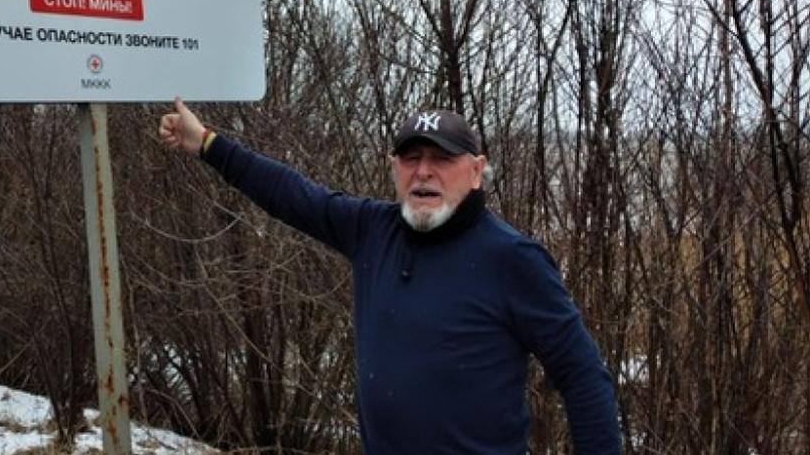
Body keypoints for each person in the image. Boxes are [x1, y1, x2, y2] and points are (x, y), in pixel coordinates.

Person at [158, 98, 620, 455]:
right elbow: (291, 193)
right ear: (393, 168)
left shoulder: (512, 259)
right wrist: (207, 144)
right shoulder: (372, 230)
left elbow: (583, 377)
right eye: (411, 157)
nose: (424, 171)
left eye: (442, 159)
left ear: (476, 171)